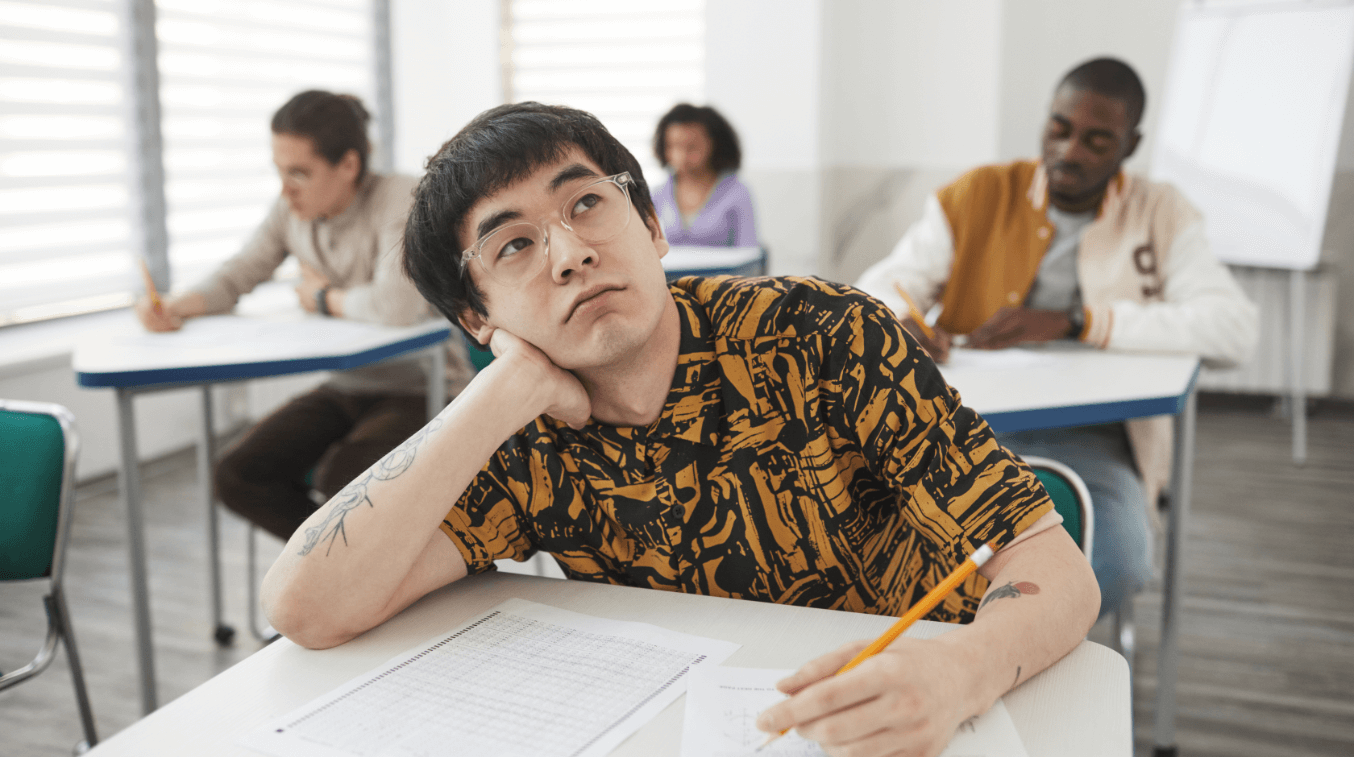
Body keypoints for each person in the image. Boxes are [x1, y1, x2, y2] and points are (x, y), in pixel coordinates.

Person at [261, 101, 1099, 756]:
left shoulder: (821, 336)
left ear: (652, 226)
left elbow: (1051, 567)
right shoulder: (522, 437)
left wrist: (965, 671)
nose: (569, 253)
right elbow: (304, 606)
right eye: (513, 247)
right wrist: (502, 387)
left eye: (587, 203)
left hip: (916, 713)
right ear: (478, 316)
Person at [857, 57, 1259, 620]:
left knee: (1113, 558)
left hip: (1093, 436)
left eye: (1097, 140)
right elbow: (881, 284)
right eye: (1060, 129)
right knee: (886, 548)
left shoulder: (1160, 212)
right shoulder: (979, 195)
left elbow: (1234, 328)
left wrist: (1080, 322)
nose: (1070, 151)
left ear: (1130, 144)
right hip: (966, 422)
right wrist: (903, 318)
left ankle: (1007, 657)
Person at [134, 89, 473, 541]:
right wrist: (177, 305)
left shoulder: (401, 198)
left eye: (299, 173)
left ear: (349, 165)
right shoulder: (293, 209)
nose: (284, 189)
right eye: (279, 172)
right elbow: (240, 273)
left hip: (424, 386)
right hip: (348, 384)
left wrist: (321, 298)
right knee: (237, 475)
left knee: (346, 486)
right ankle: (337, 566)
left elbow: (395, 306)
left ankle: (351, 567)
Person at [650, 102, 758, 247]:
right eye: (674, 146)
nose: (682, 156)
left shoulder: (738, 193)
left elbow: (748, 251)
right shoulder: (657, 195)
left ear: (714, 145)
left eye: (692, 147)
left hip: (724, 270)